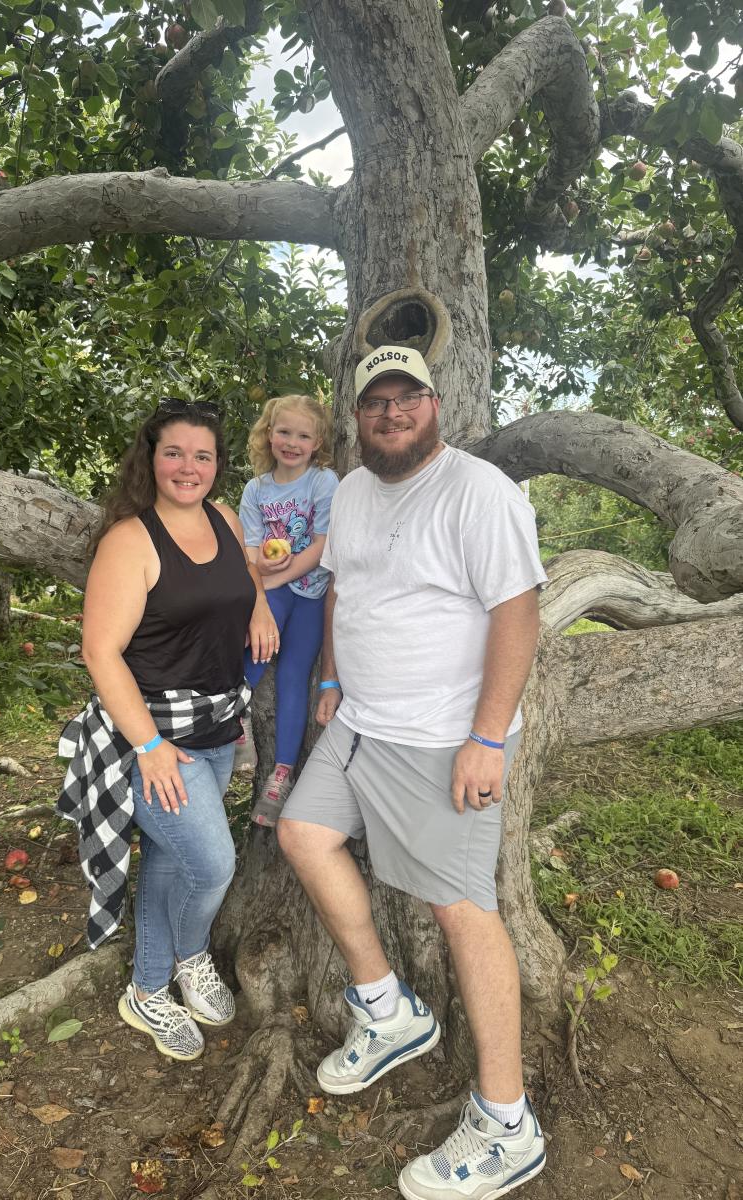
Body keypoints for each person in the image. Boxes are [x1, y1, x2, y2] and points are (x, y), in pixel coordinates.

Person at [276, 346, 549, 1200]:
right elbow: (343, 590)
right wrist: (329, 677)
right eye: (376, 403)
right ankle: (388, 1009)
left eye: (408, 399)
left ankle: (507, 1125)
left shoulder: (479, 492)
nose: (392, 414)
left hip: (440, 737)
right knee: (302, 833)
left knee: (462, 912)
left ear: (435, 404)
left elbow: (519, 612)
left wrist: (487, 737)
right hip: (361, 722)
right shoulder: (353, 491)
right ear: (356, 416)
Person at [57, 398, 278, 1063]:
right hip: (151, 736)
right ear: (150, 458)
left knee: (169, 857)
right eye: (174, 452)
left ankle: (148, 988)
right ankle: (188, 957)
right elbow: (100, 652)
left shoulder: (224, 518)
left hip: (216, 726)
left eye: (202, 455)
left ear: (217, 465)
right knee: (212, 865)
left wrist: (260, 606)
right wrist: (149, 747)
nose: (189, 466)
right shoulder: (131, 541)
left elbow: (244, 574)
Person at [236, 393, 339, 826]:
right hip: (273, 591)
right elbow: (249, 550)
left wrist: (271, 579)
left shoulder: (323, 482)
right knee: (258, 643)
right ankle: (234, 714)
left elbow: (321, 546)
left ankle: (281, 775)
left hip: (312, 594)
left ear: (317, 443)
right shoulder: (256, 490)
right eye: (284, 432)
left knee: (295, 677)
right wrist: (262, 572)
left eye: (303, 436)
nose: (292, 443)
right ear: (268, 434)